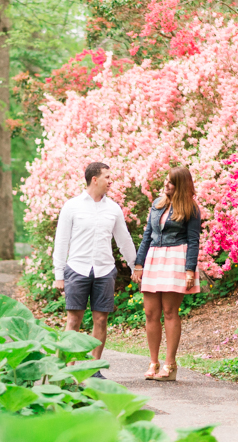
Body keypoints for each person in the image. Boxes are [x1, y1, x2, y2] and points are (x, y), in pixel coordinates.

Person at [53, 162, 137, 377]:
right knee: (74, 320)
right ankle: (65, 369)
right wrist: (58, 274)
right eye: (107, 177)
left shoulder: (113, 208)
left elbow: (124, 240)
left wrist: (136, 266)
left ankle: (93, 368)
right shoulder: (72, 206)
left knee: (101, 319)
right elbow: (61, 242)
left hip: (104, 271)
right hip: (77, 269)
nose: (111, 181)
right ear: (94, 179)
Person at [132, 167, 201, 381]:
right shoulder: (157, 205)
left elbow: (193, 241)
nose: (166, 184)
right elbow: (147, 236)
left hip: (176, 259)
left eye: (171, 182)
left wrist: (190, 269)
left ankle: (170, 364)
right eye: (166, 180)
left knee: (170, 312)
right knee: (151, 313)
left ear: (180, 185)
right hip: (154, 258)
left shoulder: (191, 208)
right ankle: (154, 362)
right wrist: (138, 264)